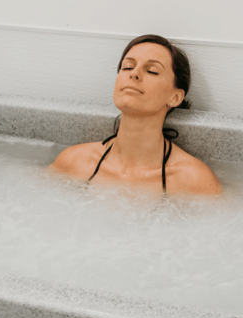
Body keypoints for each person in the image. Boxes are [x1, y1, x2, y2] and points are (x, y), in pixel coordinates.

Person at [50, 34, 222, 196]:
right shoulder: (73, 162)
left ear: (175, 97)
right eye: (128, 67)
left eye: (152, 71)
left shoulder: (194, 181)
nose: (134, 74)